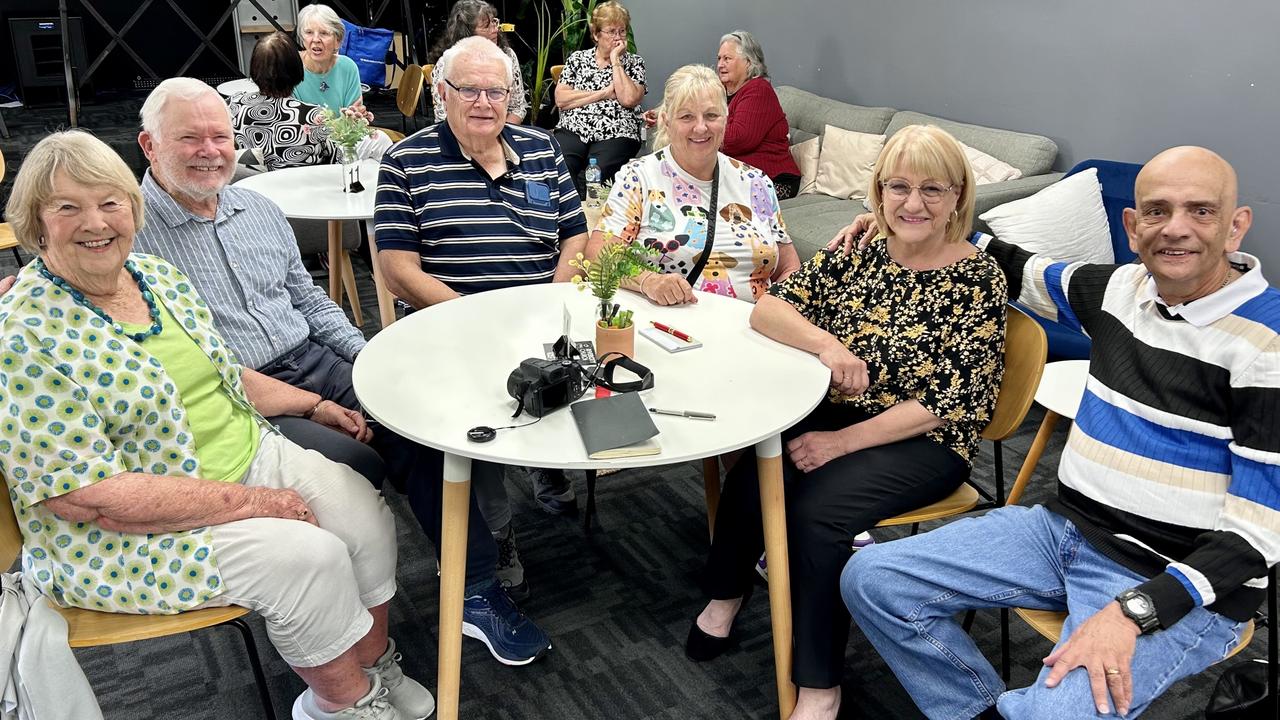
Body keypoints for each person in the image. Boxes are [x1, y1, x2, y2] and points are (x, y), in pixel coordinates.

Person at [0, 129, 434, 720]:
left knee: (362, 514)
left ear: (133, 207)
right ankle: (342, 703)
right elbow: (85, 497)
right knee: (308, 559)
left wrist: (310, 404)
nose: (95, 221)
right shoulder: (24, 335)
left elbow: (223, 372)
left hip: (244, 452)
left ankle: (371, 663)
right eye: (67, 207)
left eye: (110, 201)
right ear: (34, 222)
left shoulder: (156, 278)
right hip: (122, 531)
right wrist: (257, 502)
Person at [836, 146, 1280, 720]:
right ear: (1132, 223)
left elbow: (1262, 533)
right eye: (1156, 211)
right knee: (872, 577)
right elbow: (1016, 265)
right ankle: (973, 710)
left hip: (1174, 582)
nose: (1175, 229)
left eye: (1200, 211)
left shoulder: (1267, 346)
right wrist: (904, 218)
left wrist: (1136, 610)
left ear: (1236, 224)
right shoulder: (1120, 290)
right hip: (1063, 531)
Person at [689, 124, 1007, 720]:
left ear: (958, 197)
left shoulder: (976, 279)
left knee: (817, 515)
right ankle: (726, 593)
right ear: (879, 192)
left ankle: (820, 684)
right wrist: (829, 348)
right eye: (899, 187)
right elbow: (770, 309)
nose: (913, 204)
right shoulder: (860, 251)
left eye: (933, 190)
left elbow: (949, 401)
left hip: (924, 437)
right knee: (761, 459)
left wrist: (840, 443)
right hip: (839, 413)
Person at [376, 34, 593, 660]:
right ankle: (496, 532)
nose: (481, 102)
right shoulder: (408, 161)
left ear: (511, 98)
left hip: (544, 318)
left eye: (494, 91)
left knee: (612, 385)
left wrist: (557, 290)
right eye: (466, 89)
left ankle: (553, 465)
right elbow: (397, 267)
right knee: (474, 422)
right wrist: (474, 316)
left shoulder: (541, 149)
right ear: (442, 94)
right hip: (455, 327)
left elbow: (577, 237)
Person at [589, 64, 800, 305]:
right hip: (673, 329)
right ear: (666, 122)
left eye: (711, 115)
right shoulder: (639, 177)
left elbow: (789, 266)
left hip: (754, 328)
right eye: (687, 116)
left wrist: (781, 308)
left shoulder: (756, 182)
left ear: (726, 118)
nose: (701, 127)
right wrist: (648, 280)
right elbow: (599, 257)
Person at [229, 32, 389, 170]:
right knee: (379, 141)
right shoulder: (312, 115)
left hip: (257, 187)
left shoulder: (234, 104)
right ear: (296, 69)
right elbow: (337, 158)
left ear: (254, 68)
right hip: (309, 189)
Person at [553, 0, 645, 196]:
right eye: (611, 31)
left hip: (617, 131)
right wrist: (604, 93)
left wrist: (615, 60)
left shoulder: (634, 63)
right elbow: (561, 99)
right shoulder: (577, 59)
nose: (618, 38)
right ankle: (568, 221)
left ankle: (590, 220)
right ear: (596, 34)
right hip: (574, 128)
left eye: (622, 31)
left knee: (594, 176)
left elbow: (628, 99)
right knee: (561, 166)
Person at [716, 31, 801, 198]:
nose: (720, 64)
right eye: (719, 58)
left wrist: (706, 128)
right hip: (741, 177)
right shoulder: (722, 91)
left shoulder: (758, 90)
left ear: (748, 62)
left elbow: (737, 139)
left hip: (773, 180)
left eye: (727, 59)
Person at [426, 0, 527, 125]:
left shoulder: (508, 56)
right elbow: (444, 116)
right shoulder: (447, 64)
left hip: (501, 130)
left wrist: (498, 134)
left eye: (494, 22)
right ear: (468, 32)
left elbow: (517, 108)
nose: (495, 29)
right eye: (486, 26)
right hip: (460, 135)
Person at [294, 3, 373, 120]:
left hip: (341, 137)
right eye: (309, 32)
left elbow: (351, 121)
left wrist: (356, 115)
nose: (316, 39)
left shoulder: (348, 67)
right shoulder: (290, 66)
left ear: (338, 40)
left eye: (324, 33)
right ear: (302, 37)